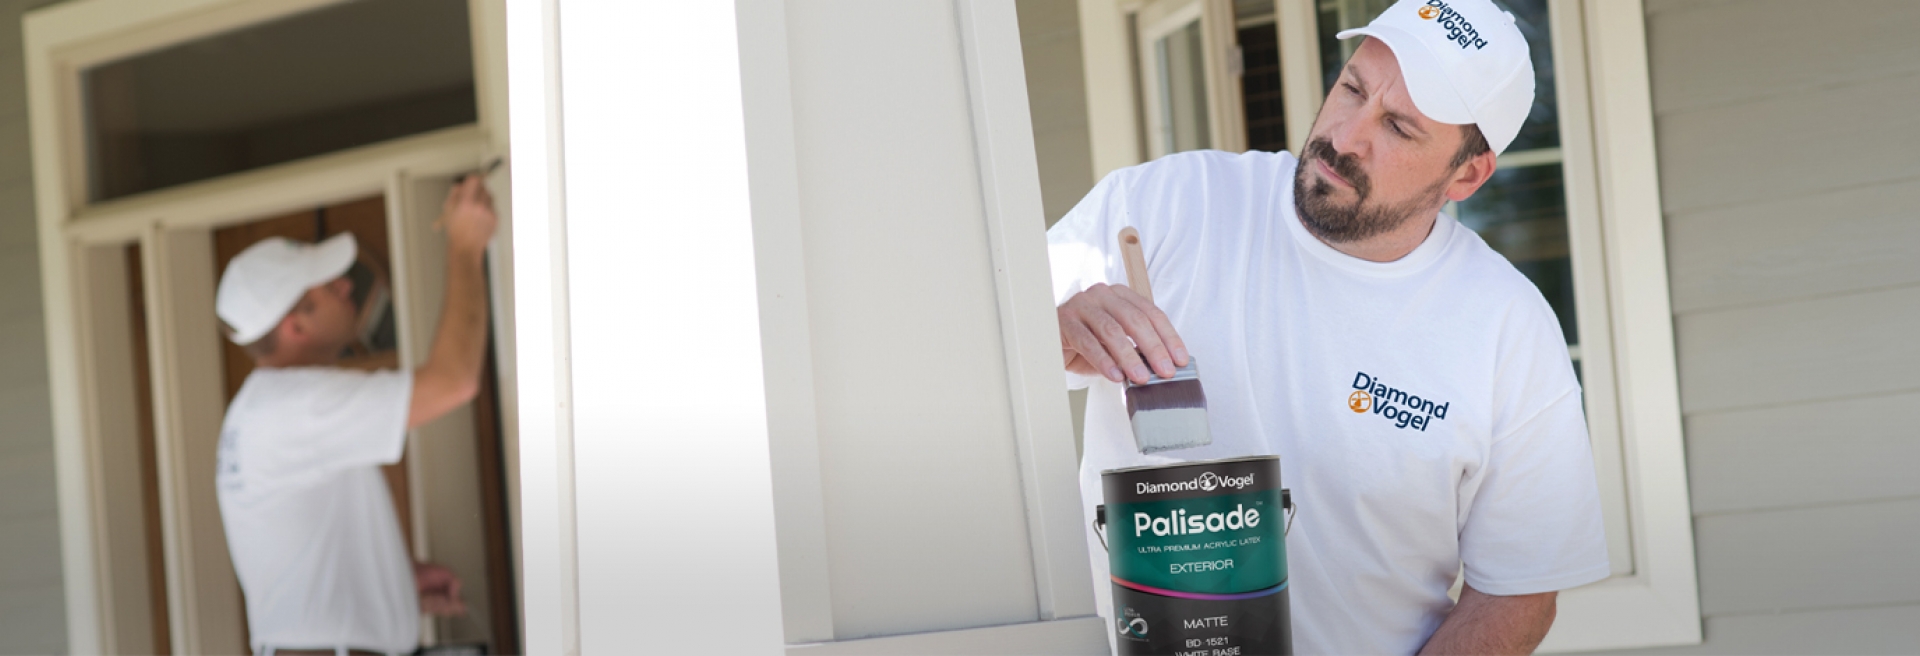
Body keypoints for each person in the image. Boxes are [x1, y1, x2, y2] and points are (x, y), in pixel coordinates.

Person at [1048, 0, 1608, 653]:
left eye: (1397, 127)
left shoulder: (1507, 328)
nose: (1344, 138)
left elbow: (1519, 595)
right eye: (1352, 89)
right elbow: (979, 359)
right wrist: (1056, 326)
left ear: (1467, 173)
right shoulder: (1166, 204)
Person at [213, 175, 498, 656]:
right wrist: (466, 247)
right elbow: (455, 381)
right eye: (329, 285)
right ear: (296, 325)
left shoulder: (261, 410)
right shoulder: (297, 407)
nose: (347, 285)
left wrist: (393, 582)